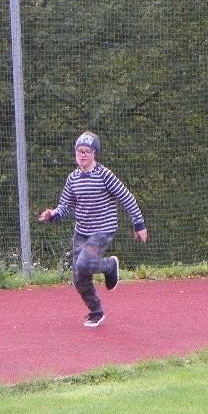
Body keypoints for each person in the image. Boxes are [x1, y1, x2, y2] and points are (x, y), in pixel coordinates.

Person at [38, 131, 148, 327]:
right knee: (78, 277)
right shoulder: (73, 178)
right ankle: (96, 311)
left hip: (103, 229)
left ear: (94, 154)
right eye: (79, 151)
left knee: (85, 263)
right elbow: (66, 205)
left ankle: (109, 266)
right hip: (82, 231)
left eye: (87, 151)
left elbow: (127, 198)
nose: (82, 155)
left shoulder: (105, 175)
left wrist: (139, 224)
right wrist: (53, 214)